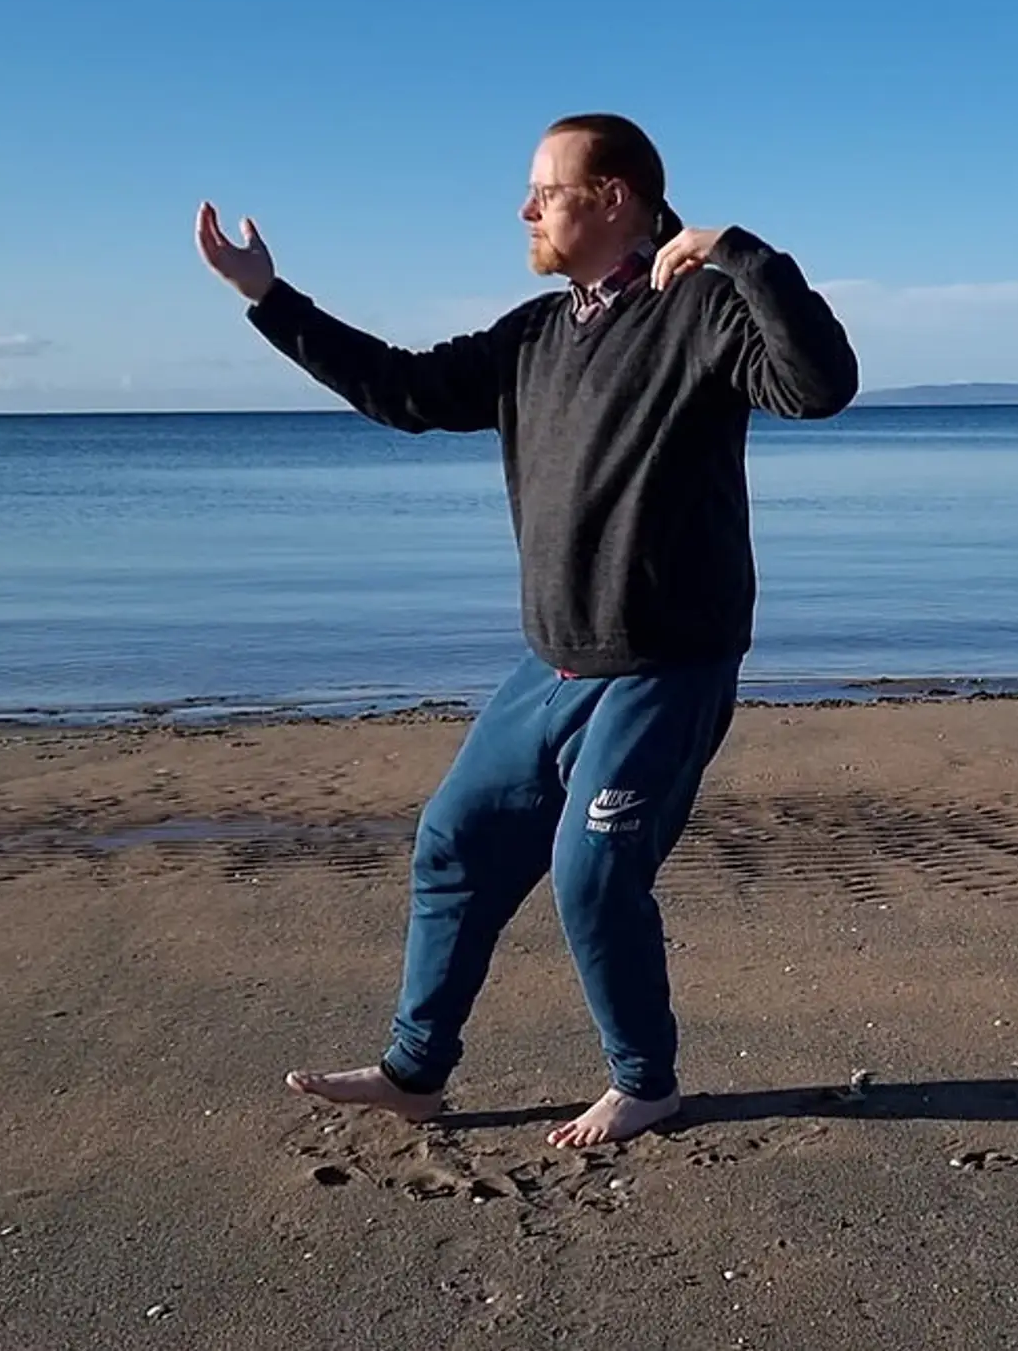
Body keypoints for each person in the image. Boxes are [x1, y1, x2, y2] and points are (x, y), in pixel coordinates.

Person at [194, 113, 859, 1146]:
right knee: (453, 839)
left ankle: (646, 1082)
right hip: (552, 662)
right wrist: (268, 301)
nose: (524, 210)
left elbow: (820, 386)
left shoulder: (703, 312)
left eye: (543, 192)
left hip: (664, 663)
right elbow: (404, 390)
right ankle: (416, 1072)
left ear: (613, 200)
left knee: (594, 875)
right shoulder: (537, 336)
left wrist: (737, 250)